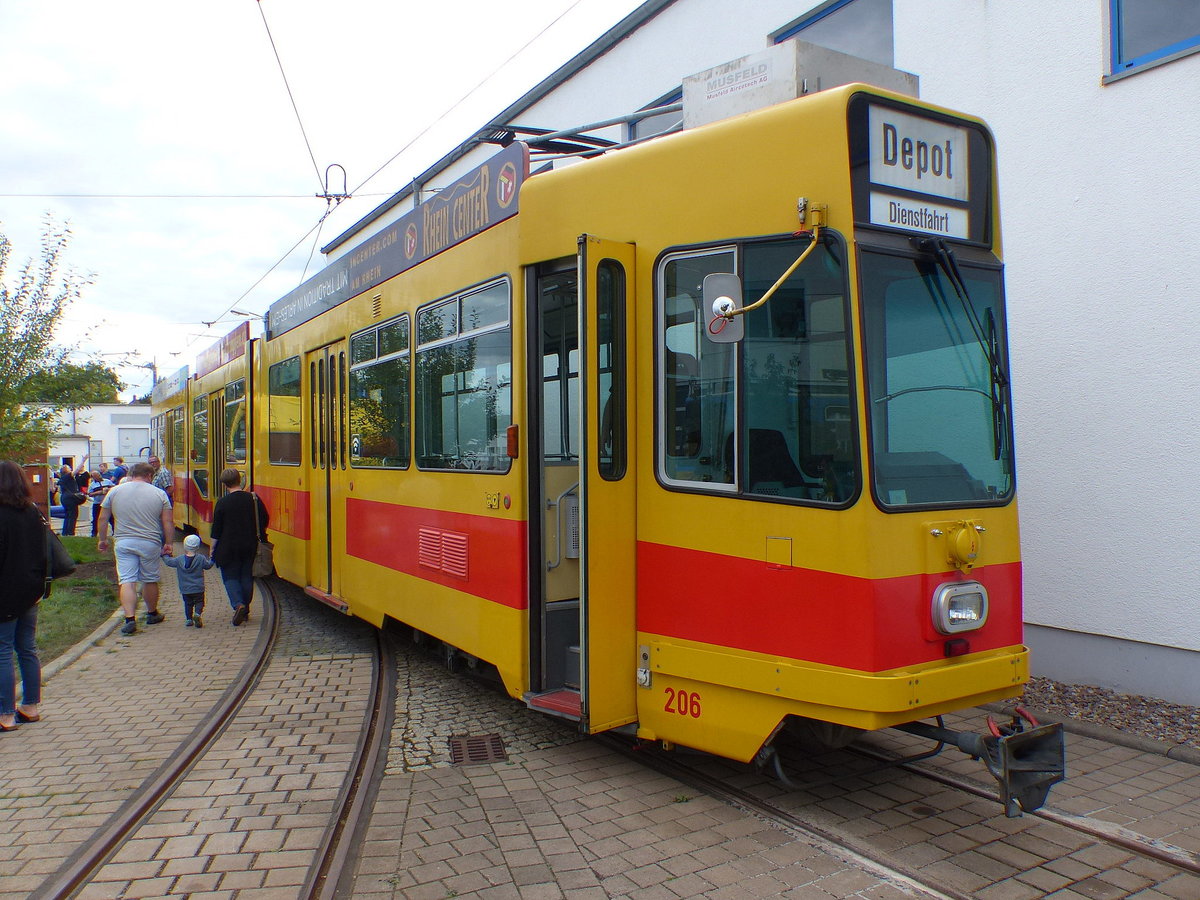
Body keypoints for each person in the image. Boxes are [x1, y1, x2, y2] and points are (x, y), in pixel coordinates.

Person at [97, 461, 174, 635]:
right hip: (150, 542)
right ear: (149, 476)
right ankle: (152, 613)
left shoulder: (115, 491)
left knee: (127, 580)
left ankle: (130, 618)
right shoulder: (160, 494)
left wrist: (102, 539)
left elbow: (103, 518)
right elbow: (167, 521)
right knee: (149, 578)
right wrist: (168, 543)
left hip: (123, 542)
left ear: (132, 474)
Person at [0, 460, 47, 731]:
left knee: (3, 651)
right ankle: (30, 706)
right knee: (27, 648)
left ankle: (5, 714)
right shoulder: (32, 512)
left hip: (5, 592)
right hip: (31, 589)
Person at [210, 468, 268, 626]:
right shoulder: (253, 499)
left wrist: (212, 549)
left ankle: (238, 604)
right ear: (240, 480)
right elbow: (264, 518)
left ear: (224, 484)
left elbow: (216, 530)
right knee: (246, 576)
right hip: (250, 544)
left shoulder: (222, 503)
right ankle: (246, 607)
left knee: (230, 577)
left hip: (227, 547)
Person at [162, 534, 215, 628]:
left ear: (184, 545)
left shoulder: (179, 559)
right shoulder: (201, 558)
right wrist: (212, 558)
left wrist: (165, 555)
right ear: (198, 546)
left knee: (188, 604)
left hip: (185, 589)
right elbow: (208, 566)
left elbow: (169, 562)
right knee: (199, 602)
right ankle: (197, 614)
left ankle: (189, 619)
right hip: (198, 588)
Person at [56, 464, 86, 536]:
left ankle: (65, 532)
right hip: (70, 498)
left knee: (67, 516)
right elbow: (77, 470)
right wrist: (84, 460)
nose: (71, 469)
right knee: (73, 515)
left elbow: (58, 490)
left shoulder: (62, 478)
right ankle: (70, 533)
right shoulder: (68, 476)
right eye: (69, 468)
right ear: (67, 470)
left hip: (64, 498)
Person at [87, 470, 114, 537]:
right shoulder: (92, 485)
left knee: (111, 518)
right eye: (95, 476)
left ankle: (115, 531)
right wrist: (99, 492)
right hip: (97, 503)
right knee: (96, 519)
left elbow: (114, 487)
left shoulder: (107, 481)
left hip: (107, 502)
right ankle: (94, 533)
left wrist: (108, 489)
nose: (98, 477)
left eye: (98, 475)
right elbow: (90, 494)